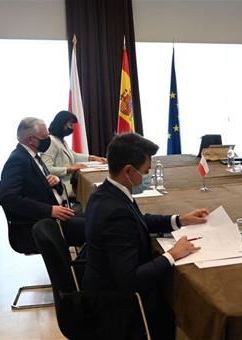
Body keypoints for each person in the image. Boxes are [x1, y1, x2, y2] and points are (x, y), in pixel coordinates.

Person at [83, 133, 209, 339]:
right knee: (173, 303)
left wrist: (179, 220)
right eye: (146, 171)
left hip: (102, 285)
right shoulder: (115, 210)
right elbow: (130, 279)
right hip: (118, 306)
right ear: (128, 171)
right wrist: (172, 255)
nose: (147, 176)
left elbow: (138, 220)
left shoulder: (105, 192)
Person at [0, 117, 85, 246]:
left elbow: (45, 187)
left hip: (57, 214)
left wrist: (56, 181)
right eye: (44, 137)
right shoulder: (17, 160)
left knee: (97, 217)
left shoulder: (33, 155)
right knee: (98, 226)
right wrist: (50, 210)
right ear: (30, 140)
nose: (48, 140)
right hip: (44, 223)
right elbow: (8, 198)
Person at [41, 110, 106, 198]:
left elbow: (73, 156)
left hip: (70, 186)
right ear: (62, 124)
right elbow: (47, 169)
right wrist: (70, 169)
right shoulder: (51, 141)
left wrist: (93, 158)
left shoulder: (60, 140)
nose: (72, 128)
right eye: (70, 125)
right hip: (62, 190)